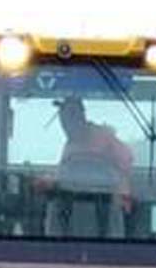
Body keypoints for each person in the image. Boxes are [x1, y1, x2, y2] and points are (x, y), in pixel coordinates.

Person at [38, 96, 134, 237]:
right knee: (53, 202)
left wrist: (121, 185)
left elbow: (126, 160)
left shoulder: (104, 136)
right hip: (72, 200)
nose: (67, 124)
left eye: (72, 117)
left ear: (81, 116)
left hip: (105, 198)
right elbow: (64, 173)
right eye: (64, 120)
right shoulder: (70, 146)